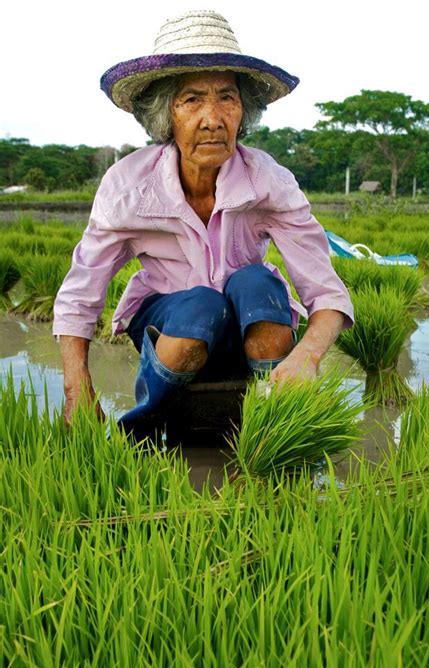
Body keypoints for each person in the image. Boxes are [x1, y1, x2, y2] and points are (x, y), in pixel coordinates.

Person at [53, 10, 354, 431]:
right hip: (171, 327)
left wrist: (307, 357)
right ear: (165, 114)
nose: (213, 118)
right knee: (202, 304)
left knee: (257, 283)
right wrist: (76, 385)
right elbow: (80, 292)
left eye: (227, 98)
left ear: (242, 110)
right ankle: (143, 427)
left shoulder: (269, 182)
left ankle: (273, 420)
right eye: (192, 99)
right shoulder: (128, 187)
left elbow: (327, 293)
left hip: (246, 325)